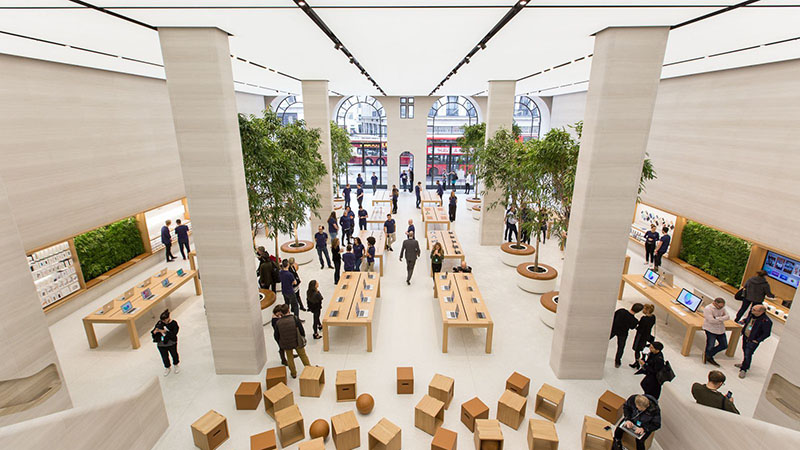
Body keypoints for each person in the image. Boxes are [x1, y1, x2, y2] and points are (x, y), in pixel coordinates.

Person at [735, 304, 772, 378]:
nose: (752, 311)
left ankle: (744, 369)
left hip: (753, 340)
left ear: (760, 312)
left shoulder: (766, 321)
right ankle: (744, 364)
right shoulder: (752, 315)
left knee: (748, 354)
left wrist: (757, 340)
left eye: (754, 310)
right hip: (746, 337)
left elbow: (766, 333)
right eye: (752, 309)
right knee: (745, 351)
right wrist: (743, 321)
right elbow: (748, 320)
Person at [274, 304, 311, 379]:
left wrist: (280, 342)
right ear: (288, 310)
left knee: (290, 358)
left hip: (286, 343)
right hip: (297, 341)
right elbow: (301, 330)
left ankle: (293, 373)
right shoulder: (294, 318)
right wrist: (303, 337)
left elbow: (276, 335)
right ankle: (309, 370)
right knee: (303, 355)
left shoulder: (278, 322)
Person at [610, 303, 644, 368]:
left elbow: (614, 316)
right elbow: (632, 327)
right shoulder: (634, 321)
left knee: (604, 341)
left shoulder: (621, 311)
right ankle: (617, 361)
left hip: (613, 329)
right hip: (623, 334)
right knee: (621, 347)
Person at [702, 297, 730, 367]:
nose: (720, 308)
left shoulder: (722, 308)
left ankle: (708, 354)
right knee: (710, 345)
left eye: (722, 306)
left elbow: (728, 317)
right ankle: (708, 356)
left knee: (724, 345)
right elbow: (711, 320)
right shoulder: (708, 308)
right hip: (710, 329)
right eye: (719, 306)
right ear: (714, 303)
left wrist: (717, 318)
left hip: (720, 329)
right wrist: (721, 319)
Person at [152, 309, 180, 376]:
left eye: (164, 320)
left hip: (171, 342)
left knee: (174, 354)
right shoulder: (160, 323)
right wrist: (155, 331)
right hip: (161, 343)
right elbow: (154, 331)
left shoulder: (174, 323)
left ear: (168, 318)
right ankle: (167, 367)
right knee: (164, 356)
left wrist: (165, 332)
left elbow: (174, 334)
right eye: (162, 320)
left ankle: (176, 364)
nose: (163, 322)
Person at [630, 304, 655, 369]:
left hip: (640, 336)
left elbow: (640, 328)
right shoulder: (653, 317)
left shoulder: (644, 319)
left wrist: (635, 326)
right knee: (643, 347)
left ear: (647, 310)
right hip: (647, 335)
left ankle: (637, 362)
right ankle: (643, 359)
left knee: (637, 349)